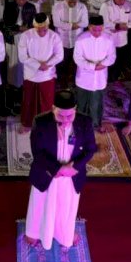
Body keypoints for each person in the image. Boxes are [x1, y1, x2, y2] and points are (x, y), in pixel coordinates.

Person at [25, 89, 97, 250]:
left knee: (66, 205)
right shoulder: (41, 122)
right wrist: (57, 169)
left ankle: (65, 234)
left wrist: (74, 167)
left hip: (72, 175)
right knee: (40, 203)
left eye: (69, 116)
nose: (65, 121)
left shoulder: (84, 122)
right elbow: (37, 152)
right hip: (47, 173)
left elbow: (90, 149)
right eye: (60, 116)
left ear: (75, 110)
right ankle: (34, 232)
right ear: (53, 109)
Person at [18, 13, 64, 133]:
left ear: (48, 26)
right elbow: (22, 57)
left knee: (47, 102)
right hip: (31, 74)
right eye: (39, 30)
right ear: (34, 26)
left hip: (47, 74)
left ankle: (46, 125)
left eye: (44, 30)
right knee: (29, 101)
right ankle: (27, 123)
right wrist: (38, 65)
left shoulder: (54, 37)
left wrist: (47, 65)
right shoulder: (26, 36)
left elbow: (59, 55)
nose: (41, 32)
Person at [73, 16, 116, 131]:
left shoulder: (109, 39)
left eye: (99, 30)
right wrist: (93, 66)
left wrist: (101, 65)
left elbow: (112, 57)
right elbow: (77, 58)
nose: (97, 33)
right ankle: (80, 125)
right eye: (94, 30)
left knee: (97, 102)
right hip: (84, 77)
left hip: (100, 76)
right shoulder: (81, 39)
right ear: (89, 27)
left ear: (102, 27)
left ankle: (95, 124)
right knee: (81, 102)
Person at [100, 0, 131, 82]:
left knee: (119, 62)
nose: (122, 2)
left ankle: (115, 80)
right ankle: (105, 80)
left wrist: (127, 26)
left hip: (122, 40)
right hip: (109, 39)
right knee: (108, 61)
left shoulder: (129, 5)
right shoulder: (106, 5)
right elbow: (104, 23)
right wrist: (117, 26)